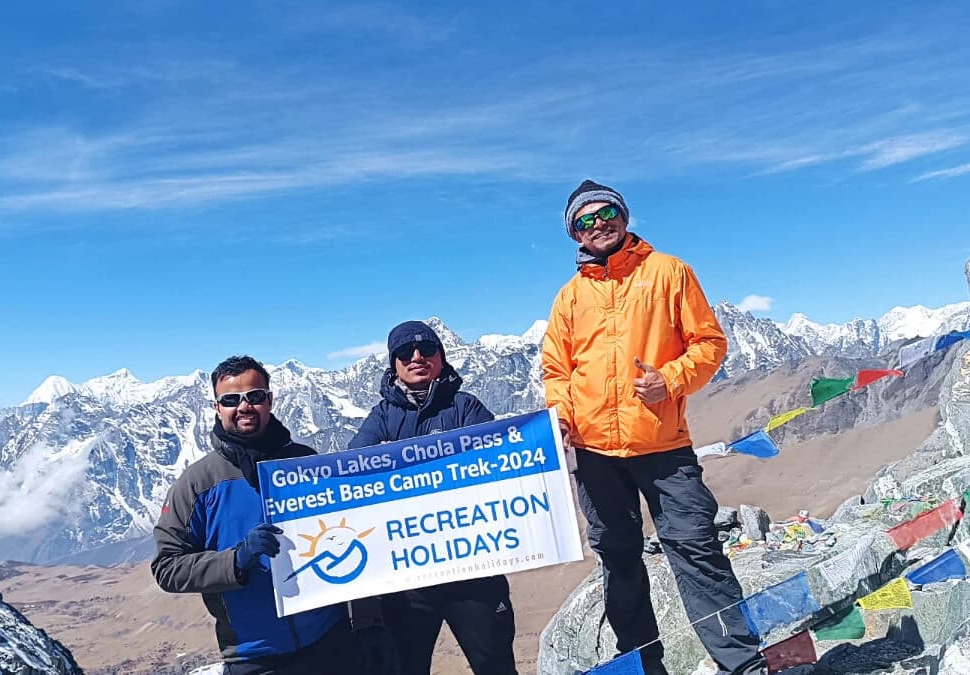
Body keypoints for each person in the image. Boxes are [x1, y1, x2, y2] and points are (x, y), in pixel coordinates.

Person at [541, 180, 764, 675]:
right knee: (618, 559)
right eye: (585, 220)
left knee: (695, 548)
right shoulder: (569, 298)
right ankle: (643, 664)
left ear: (624, 217)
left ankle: (743, 663)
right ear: (573, 233)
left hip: (664, 448)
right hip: (595, 453)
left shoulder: (669, 272)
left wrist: (670, 380)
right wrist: (560, 414)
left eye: (606, 214)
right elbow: (556, 369)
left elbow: (709, 344)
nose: (598, 225)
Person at [152, 355, 359, 675]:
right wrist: (234, 560)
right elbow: (167, 568)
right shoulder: (198, 483)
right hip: (254, 656)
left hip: (331, 640)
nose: (244, 406)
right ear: (217, 408)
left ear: (270, 400)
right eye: (231, 399)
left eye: (255, 396)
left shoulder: (306, 463)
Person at [349, 320, 517, 675]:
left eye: (427, 349)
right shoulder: (381, 416)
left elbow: (500, 461)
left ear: (441, 357)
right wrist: (378, 463)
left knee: (495, 664)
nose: (416, 357)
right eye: (405, 352)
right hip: (408, 580)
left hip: (475, 567)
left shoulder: (466, 407)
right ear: (392, 363)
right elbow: (351, 472)